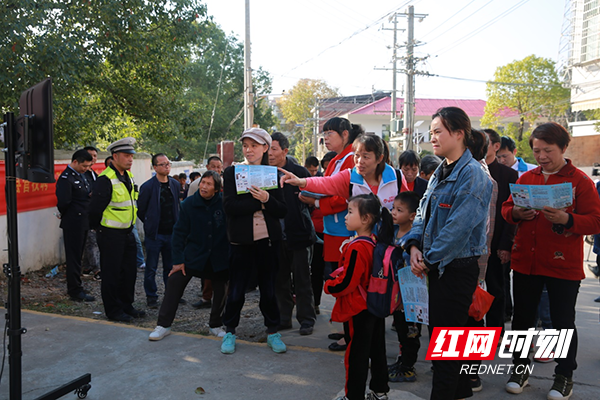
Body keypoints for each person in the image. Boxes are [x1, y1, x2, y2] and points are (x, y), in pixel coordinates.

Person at [501, 122, 600, 399]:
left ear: (564, 149)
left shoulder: (579, 181)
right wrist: (519, 214)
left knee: (562, 322)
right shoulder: (526, 178)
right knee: (522, 320)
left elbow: (595, 220)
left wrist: (567, 219)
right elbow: (507, 208)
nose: (542, 156)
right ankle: (520, 369)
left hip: (562, 264)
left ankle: (564, 376)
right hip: (525, 263)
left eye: (548, 150)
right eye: (537, 150)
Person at [401, 107, 493, 400]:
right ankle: (462, 392)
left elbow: (459, 227)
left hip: (455, 269)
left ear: (459, 133)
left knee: (445, 352)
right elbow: (421, 215)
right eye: (431, 133)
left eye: (438, 131)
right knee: (452, 346)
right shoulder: (441, 171)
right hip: (436, 266)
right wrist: (413, 245)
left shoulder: (474, 174)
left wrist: (428, 258)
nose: (433, 138)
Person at [220, 128, 288, 355]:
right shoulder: (232, 173)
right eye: (245, 146)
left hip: (268, 241)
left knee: (269, 290)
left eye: (254, 145)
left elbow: (282, 210)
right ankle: (230, 331)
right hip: (241, 243)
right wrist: (259, 203)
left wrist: (268, 199)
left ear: (265, 148)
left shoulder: (274, 174)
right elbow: (229, 207)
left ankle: (273, 332)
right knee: (237, 290)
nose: (249, 150)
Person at [149, 171, 229, 341]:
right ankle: (163, 325)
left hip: (218, 256)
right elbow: (178, 233)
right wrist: (178, 260)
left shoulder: (224, 204)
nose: (204, 186)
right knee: (174, 281)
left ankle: (215, 325)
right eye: (203, 183)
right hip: (194, 255)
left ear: (217, 189)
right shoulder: (189, 204)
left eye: (209, 184)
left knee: (222, 289)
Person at [327, 194, 391, 400]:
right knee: (377, 349)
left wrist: (329, 286)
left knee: (356, 356)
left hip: (358, 308)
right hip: (374, 303)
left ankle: (353, 396)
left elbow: (348, 283)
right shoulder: (373, 241)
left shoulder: (357, 247)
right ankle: (380, 391)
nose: (346, 217)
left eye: (350, 212)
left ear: (366, 219)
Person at [89, 137, 145, 323]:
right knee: (112, 274)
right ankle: (113, 310)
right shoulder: (105, 179)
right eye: (126, 156)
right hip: (110, 235)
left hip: (127, 233)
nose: (130, 159)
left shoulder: (128, 176)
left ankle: (126, 305)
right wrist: (100, 229)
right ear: (114, 156)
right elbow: (95, 209)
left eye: (131, 156)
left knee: (129, 272)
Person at [270, 132, 317, 335]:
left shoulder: (299, 172)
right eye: (267, 149)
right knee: (280, 279)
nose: (270, 153)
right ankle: (284, 317)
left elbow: (312, 202)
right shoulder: (264, 173)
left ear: (285, 151)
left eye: (274, 149)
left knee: (302, 279)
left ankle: (306, 319)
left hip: (298, 234)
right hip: (275, 236)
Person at [482, 129, 518, 331]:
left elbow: (512, 214)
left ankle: (495, 331)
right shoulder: (469, 171)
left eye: (485, 142)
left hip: (497, 243)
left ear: (496, 146)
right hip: (472, 245)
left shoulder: (509, 175)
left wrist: (506, 245)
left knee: (496, 287)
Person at [137, 154, 181, 309]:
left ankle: (171, 295)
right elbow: (141, 210)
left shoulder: (175, 184)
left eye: (168, 164)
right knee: (151, 268)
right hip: (155, 235)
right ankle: (151, 297)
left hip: (172, 233)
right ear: (155, 167)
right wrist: (150, 224)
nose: (166, 167)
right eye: (162, 164)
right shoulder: (148, 186)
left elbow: (177, 206)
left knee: (171, 267)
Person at [387, 191, 421, 384]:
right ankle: (403, 361)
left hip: (411, 296)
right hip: (396, 294)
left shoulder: (414, 239)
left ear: (412, 216)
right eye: (393, 208)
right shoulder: (392, 232)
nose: (393, 212)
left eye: (399, 210)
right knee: (400, 329)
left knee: (411, 331)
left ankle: (408, 367)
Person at [56, 149, 95, 302]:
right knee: (73, 258)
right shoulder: (66, 178)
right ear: (75, 162)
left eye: (88, 166)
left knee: (78, 256)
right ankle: (74, 290)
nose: (86, 169)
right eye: (84, 166)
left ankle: (77, 285)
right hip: (73, 222)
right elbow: (64, 203)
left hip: (83, 221)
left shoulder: (81, 175)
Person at [188, 155, 224, 309]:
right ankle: (206, 297)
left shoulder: (227, 184)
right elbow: (189, 209)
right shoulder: (196, 185)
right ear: (207, 167)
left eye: (219, 167)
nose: (216, 169)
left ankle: (220, 302)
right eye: (213, 166)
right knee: (205, 270)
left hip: (220, 235)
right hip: (201, 233)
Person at [81, 146, 101, 279]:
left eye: (95, 156)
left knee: (91, 241)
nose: (93, 158)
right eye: (90, 155)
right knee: (91, 242)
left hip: (95, 212)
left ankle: (87, 266)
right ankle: (97, 270)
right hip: (84, 213)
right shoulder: (80, 173)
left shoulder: (94, 173)